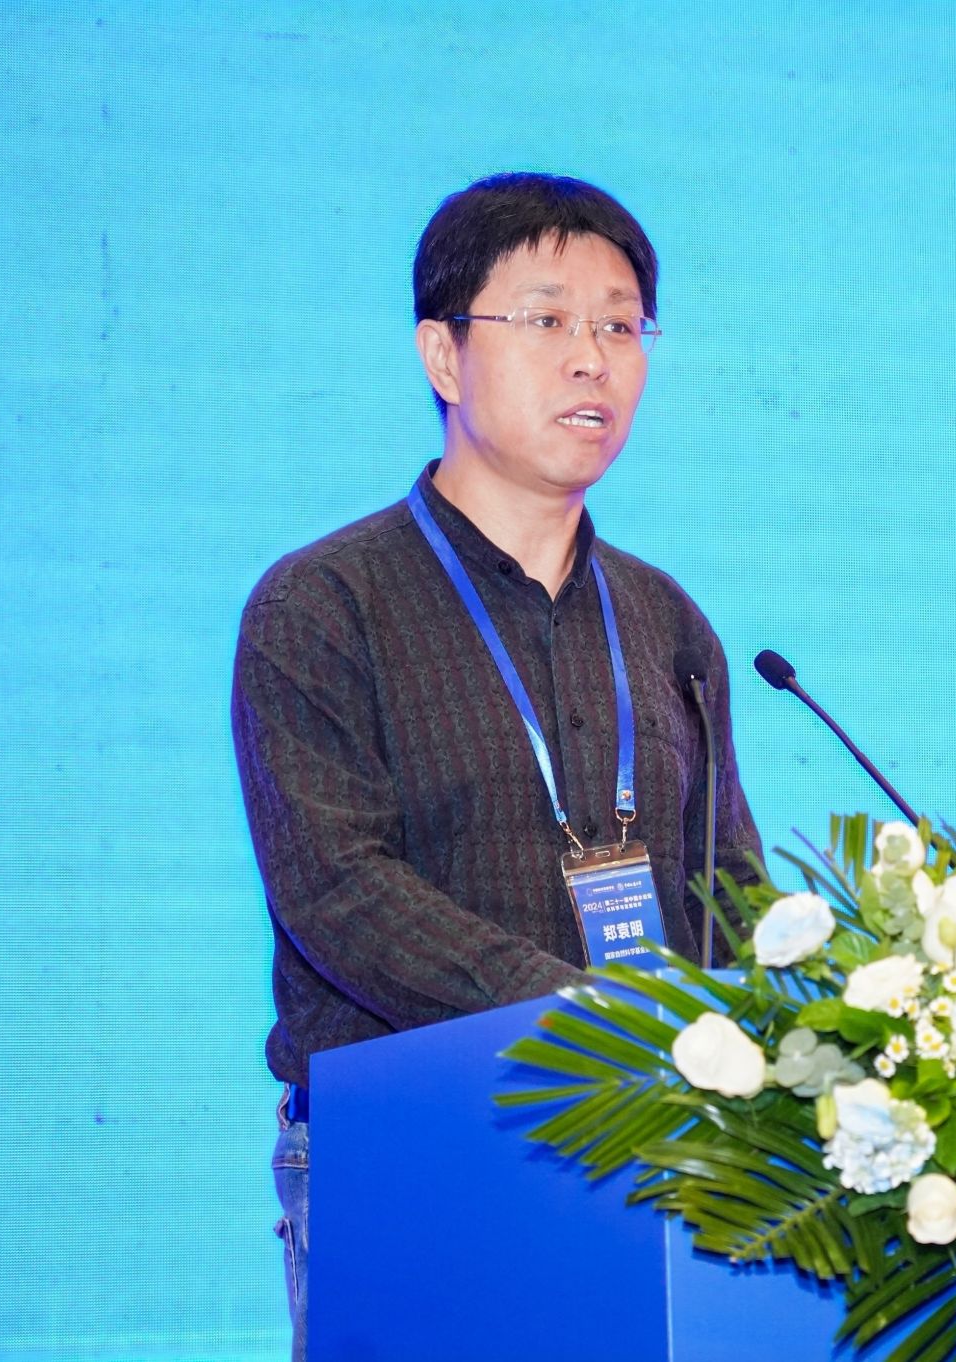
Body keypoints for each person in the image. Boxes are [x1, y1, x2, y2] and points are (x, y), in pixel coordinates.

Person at [230, 172, 761, 1357]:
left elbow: (724, 880)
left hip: (664, 1148)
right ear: (443, 355)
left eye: (619, 326)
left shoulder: (666, 620)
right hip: (419, 1152)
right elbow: (338, 891)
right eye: (547, 318)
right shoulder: (323, 606)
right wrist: (577, 1014)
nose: (590, 359)